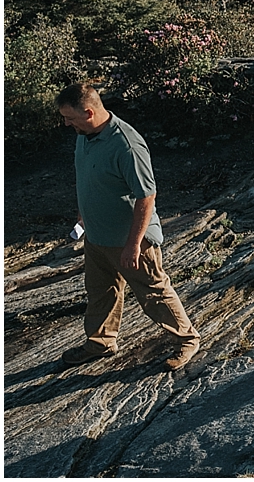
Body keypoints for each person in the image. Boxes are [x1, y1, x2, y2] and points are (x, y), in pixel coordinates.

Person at [56, 84, 201, 371]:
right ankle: (100, 342)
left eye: (69, 118)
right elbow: (88, 179)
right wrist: (82, 216)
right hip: (97, 237)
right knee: (100, 292)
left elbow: (146, 196)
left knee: (154, 292)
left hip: (129, 239)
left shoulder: (127, 145)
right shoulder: (85, 135)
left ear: (88, 112)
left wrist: (134, 245)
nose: (65, 124)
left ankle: (187, 340)